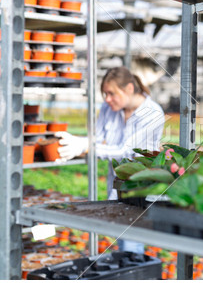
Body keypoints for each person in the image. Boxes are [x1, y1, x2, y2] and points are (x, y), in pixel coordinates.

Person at [55, 66, 165, 253]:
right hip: (116, 189)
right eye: (105, 94)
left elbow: (127, 151)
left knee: (131, 245)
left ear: (129, 88)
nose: (107, 99)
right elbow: (97, 139)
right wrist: (80, 143)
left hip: (139, 190)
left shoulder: (152, 113)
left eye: (111, 93)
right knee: (120, 243)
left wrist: (86, 147)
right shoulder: (109, 108)